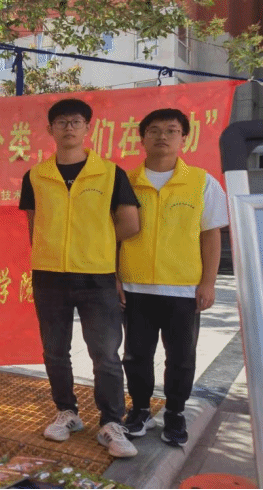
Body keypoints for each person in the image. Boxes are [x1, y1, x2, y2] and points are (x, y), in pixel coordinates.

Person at [18, 98, 141, 458]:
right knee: (55, 351)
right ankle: (67, 412)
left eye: (75, 122)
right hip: (49, 276)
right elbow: (33, 225)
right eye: (61, 122)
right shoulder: (36, 176)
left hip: (96, 277)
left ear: (88, 128)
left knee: (105, 354)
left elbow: (130, 223)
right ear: (50, 129)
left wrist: (96, 245)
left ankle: (111, 423)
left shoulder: (110, 173)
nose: (68, 128)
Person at [119, 108, 228, 447]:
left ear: (184, 138)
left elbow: (211, 234)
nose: (162, 136)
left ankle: (175, 413)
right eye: (154, 130)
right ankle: (139, 410)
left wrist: (208, 282)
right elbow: (112, 235)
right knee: (136, 355)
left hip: (183, 289)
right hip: (134, 286)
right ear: (142, 138)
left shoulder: (202, 182)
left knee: (181, 358)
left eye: (171, 130)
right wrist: (114, 278)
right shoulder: (124, 181)